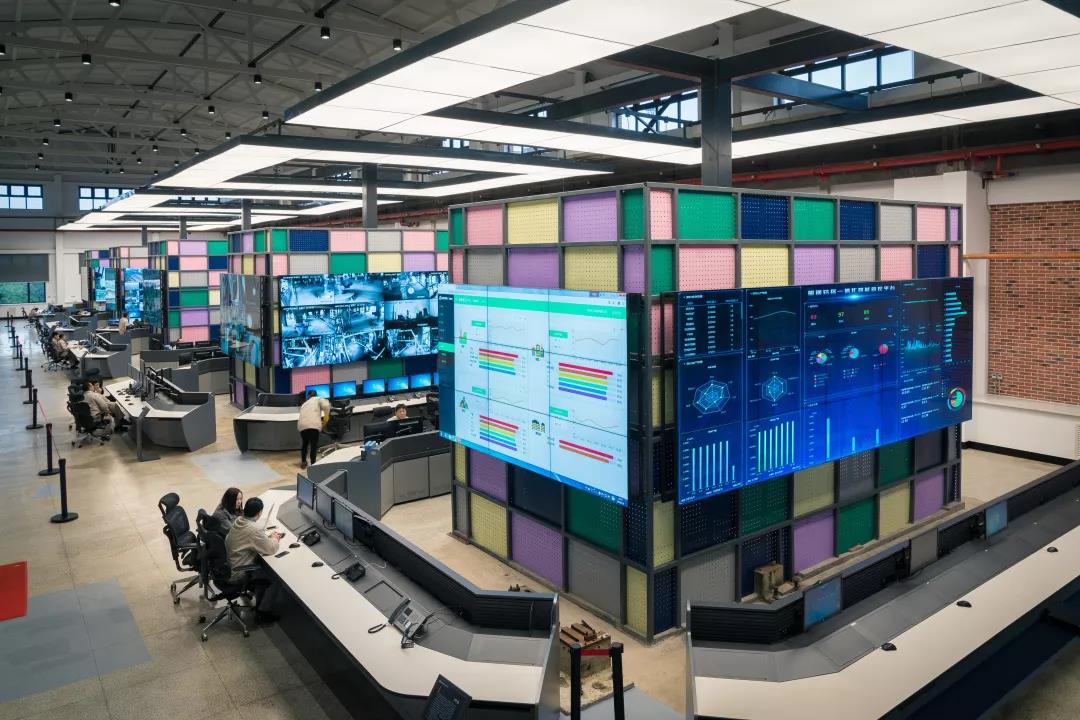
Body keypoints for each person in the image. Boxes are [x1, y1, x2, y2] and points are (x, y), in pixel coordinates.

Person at [225, 497, 285, 624]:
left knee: (263, 568)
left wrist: (263, 537)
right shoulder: (253, 529)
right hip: (239, 572)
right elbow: (271, 549)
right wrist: (275, 538)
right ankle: (263, 612)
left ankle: (260, 604)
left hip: (230, 565)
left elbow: (251, 538)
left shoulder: (239, 521)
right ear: (259, 513)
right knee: (275, 578)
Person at [297, 389, 330, 469]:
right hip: (313, 425)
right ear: (316, 395)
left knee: (305, 444)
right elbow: (326, 405)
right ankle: (313, 464)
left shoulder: (304, 404)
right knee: (313, 445)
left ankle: (303, 462)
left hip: (302, 426)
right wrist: (326, 416)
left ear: (308, 396)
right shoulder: (318, 399)